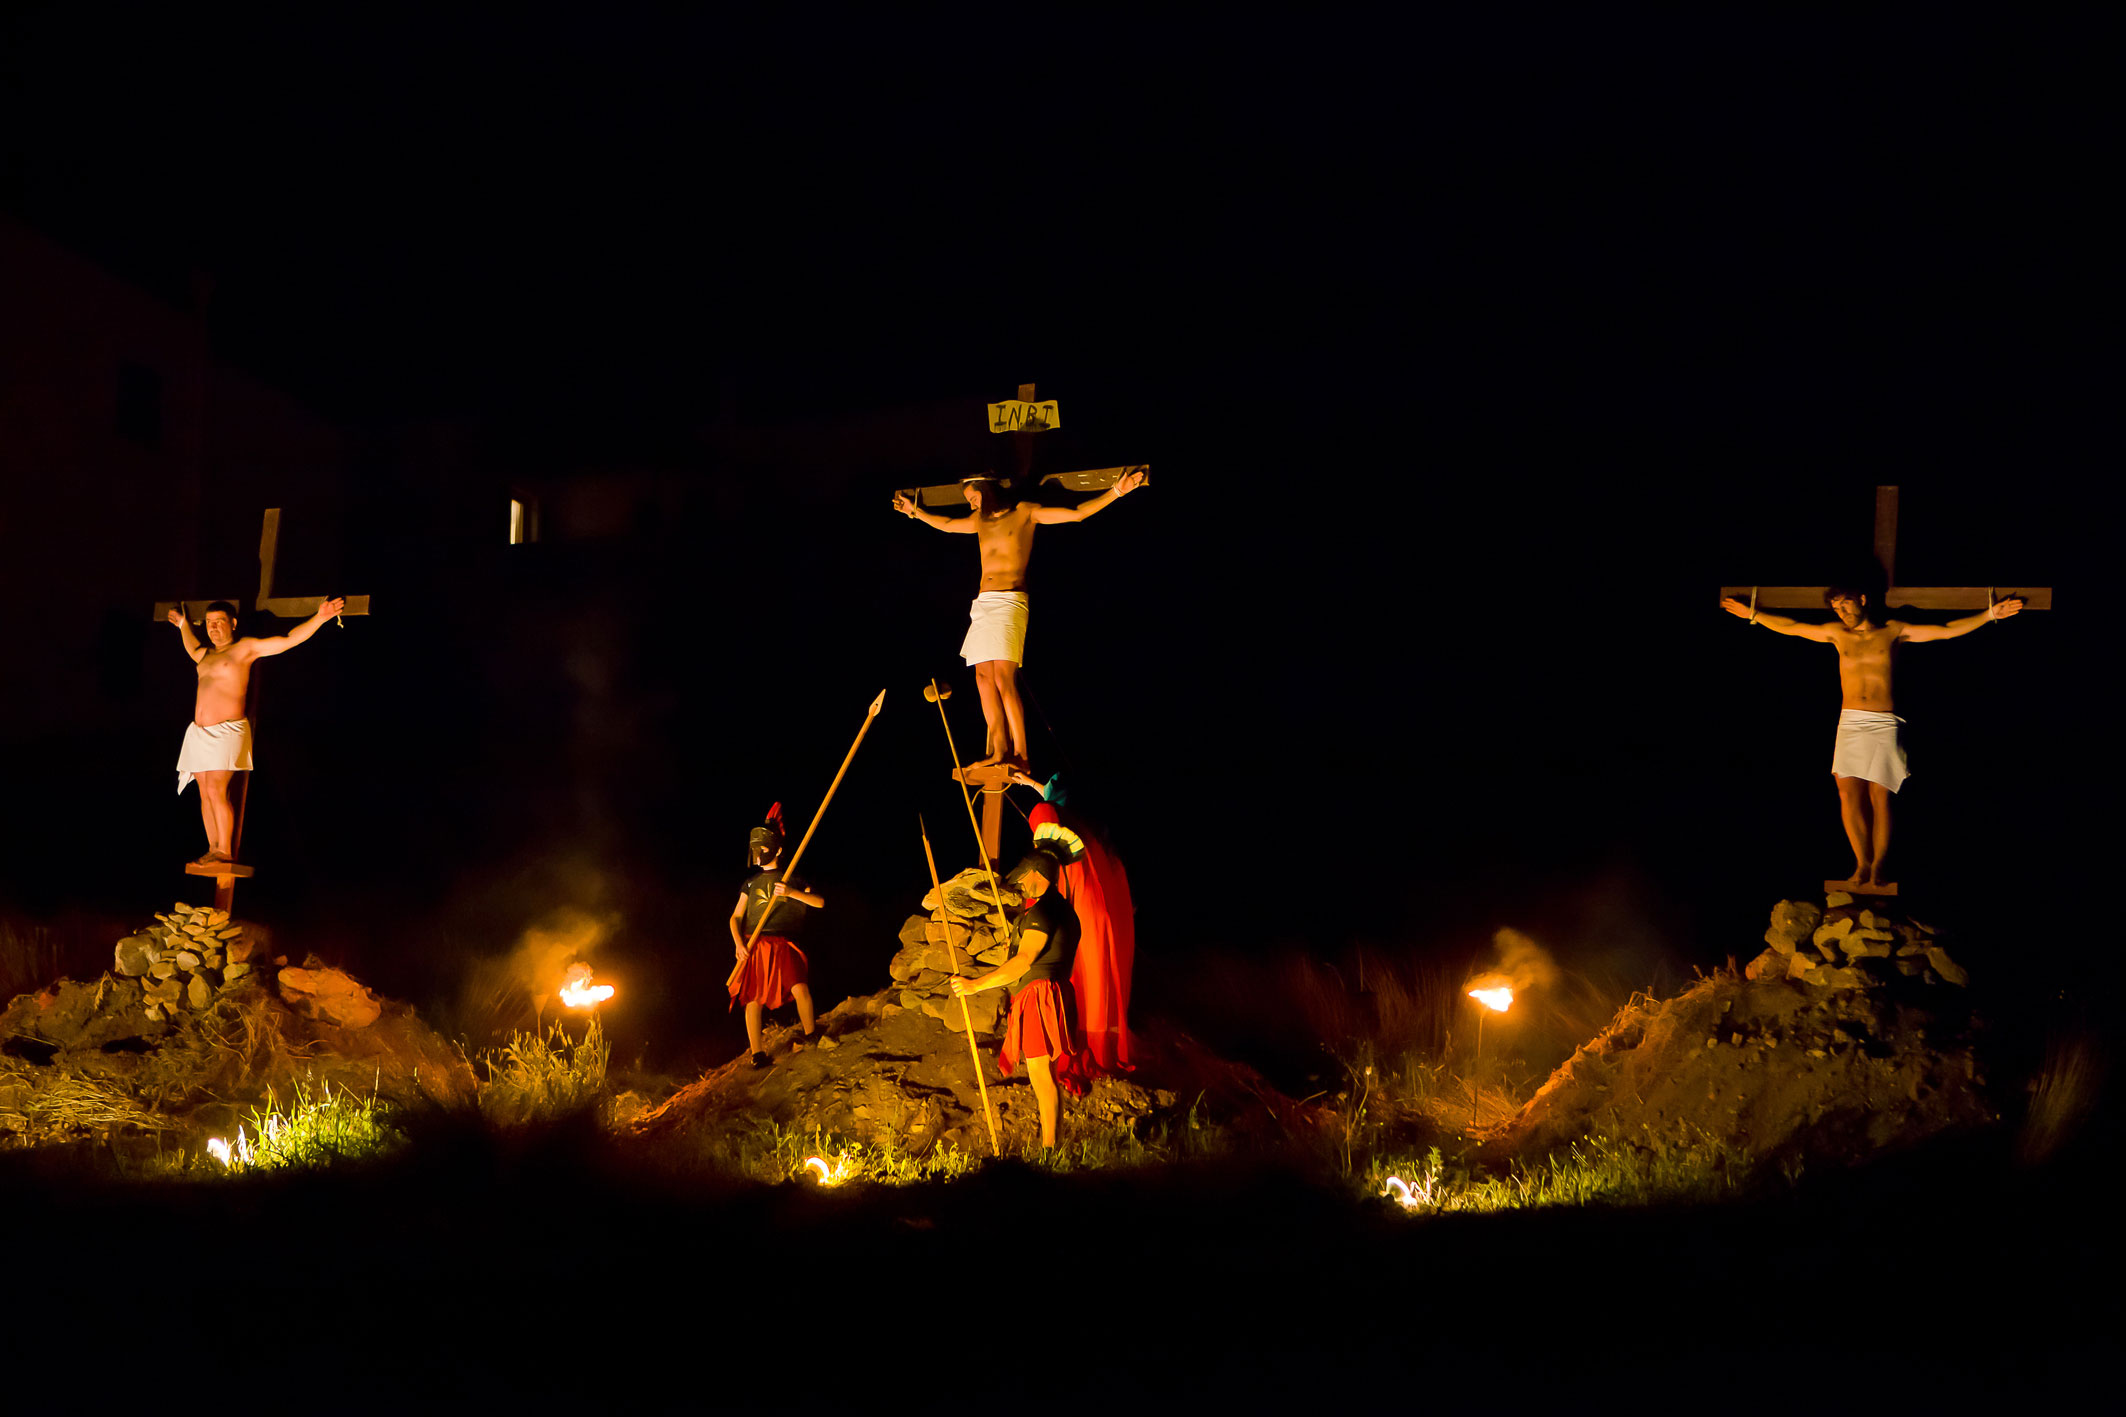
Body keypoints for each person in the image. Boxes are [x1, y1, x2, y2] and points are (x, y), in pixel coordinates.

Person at [1721, 583, 2023, 889]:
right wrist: (1754, 614)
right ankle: (1861, 863)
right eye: (1836, 607)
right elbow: (1794, 627)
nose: (1841, 611)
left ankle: (1879, 864)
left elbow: (1944, 629)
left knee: (1880, 797)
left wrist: (1988, 615)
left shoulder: (1893, 630)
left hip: (1883, 722)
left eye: (1846, 604)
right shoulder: (1837, 633)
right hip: (1850, 721)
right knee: (1847, 794)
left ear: (1862, 600)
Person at [891, 468, 1146, 770]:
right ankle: (999, 750)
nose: (971, 505)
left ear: (986, 491)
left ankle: (1021, 754)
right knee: (983, 678)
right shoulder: (980, 521)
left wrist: (1116, 492)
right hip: (983, 604)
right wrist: (916, 511)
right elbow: (946, 524)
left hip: (1010, 600)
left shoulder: (1024, 513)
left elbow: (1076, 513)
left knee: (1003, 676)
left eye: (973, 498)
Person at [167, 596, 345, 864]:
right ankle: (212, 847)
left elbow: (287, 640)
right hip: (199, 734)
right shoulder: (204, 655)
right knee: (204, 791)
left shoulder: (244, 649)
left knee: (217, 789)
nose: (213, 628)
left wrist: (320, 617)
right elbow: (191, 645)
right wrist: (183, 624)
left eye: (220, 622)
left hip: (227, 730)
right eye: (210, 624)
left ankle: (223, 851)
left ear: (233, 624)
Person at [951, 822, 1089, 1148]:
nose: (1022, 884)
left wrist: (975, 985)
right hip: (1051, 992)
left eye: (1025, 877)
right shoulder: (1060, 910)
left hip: (1041, 994)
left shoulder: (1045, 910)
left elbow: (1025, 960)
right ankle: (1051, 1148)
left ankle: (1050, 1151)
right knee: (1046, 1075)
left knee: (1042, 1075)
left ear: (1037, 873)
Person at [1009, 769, 1135, 1076]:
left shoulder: (1058, 839)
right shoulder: (1088, 836)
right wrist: (1031, 783)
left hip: (1083, 913)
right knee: (1099, 972)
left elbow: (1049, 815)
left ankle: (1073, 1041)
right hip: (1100, 913)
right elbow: (1055, 799)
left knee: (1080, 972)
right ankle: (1095, 1040)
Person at [727, 803, 824, 1068]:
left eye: (764, 848)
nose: (759, 853)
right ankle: (757, 1054)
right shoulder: (750, 883)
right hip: (756, 944)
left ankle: (811, 1035)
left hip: (784, 943)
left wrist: (792, 893)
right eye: (756, 849)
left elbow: (819, 902)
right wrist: (739, 944)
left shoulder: (792, 877)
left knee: (800, 987)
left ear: (778, 850)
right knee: (753, 999)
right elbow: (735, 917)